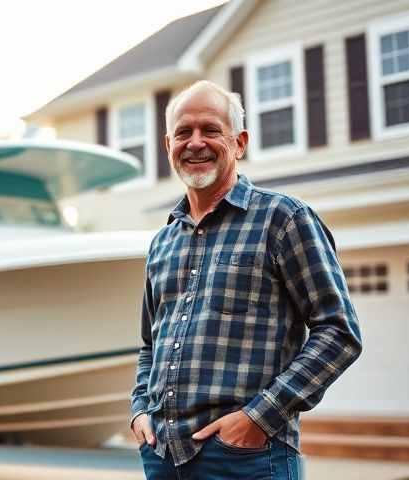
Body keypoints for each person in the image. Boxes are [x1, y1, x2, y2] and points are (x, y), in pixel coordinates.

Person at [129, 80, 362, 479]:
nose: (195, 142)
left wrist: (258, 418)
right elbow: (150, 343)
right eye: (184, 132)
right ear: (169, 145)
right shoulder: (162, 242)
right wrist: (139, 411)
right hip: (163, 457)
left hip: (247, 461)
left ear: (239, 143)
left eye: (210, 130)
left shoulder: (283, 219)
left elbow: (338, 332)